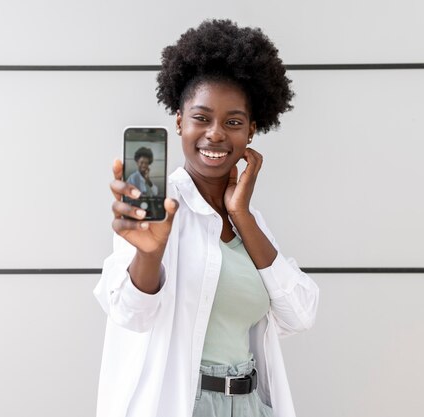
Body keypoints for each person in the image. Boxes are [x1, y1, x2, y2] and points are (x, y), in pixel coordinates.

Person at [94, 19, 319, 417]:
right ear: (179, 121)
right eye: (201, 118)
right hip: (188, 405)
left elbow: (300, 314)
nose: (215, 134)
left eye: (233, 122)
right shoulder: (158, 209)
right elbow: (130, 314)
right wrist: (149, 254)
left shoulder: (250, 222)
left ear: (251, 131)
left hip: (251, 405)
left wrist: (241, 215)